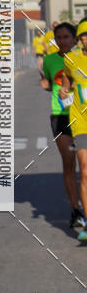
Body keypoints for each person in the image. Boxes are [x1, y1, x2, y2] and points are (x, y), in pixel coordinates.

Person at [40, 22, 85, 231]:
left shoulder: (79, 57)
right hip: (61, 115)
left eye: (66, 37)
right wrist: (49, 87)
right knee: (69, 163)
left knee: (84, 166)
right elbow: (52, 84)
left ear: (74, 38)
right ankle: (76, 210)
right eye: (58, 37)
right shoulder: (49, 60)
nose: (62, 41)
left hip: (81, 116)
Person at [61, 20, 87, 243]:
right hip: (81, 122)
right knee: (85, 170)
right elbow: (66, 81)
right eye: (84, 35)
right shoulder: (72, 58)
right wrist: (64, 91)